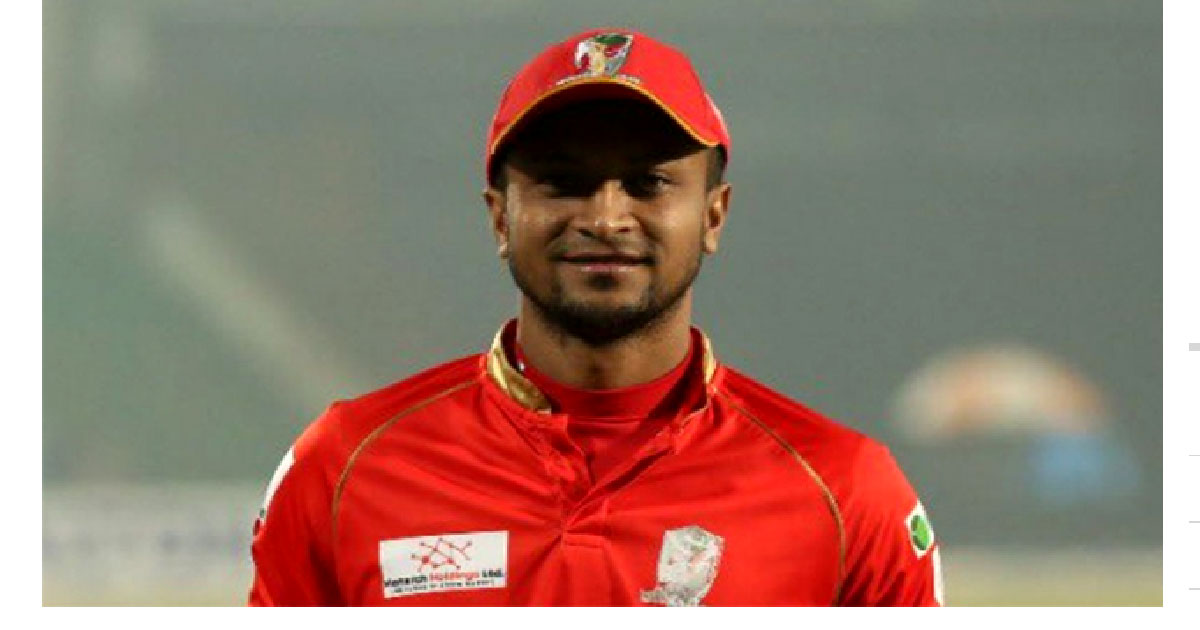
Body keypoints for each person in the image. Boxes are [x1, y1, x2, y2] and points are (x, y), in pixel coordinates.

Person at [248, 27, 943, 607]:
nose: (606, 218)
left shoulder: (846, 493)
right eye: (564, 182)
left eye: (648, 183)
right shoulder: (343, 467)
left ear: (713, 215)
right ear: (500, 217)